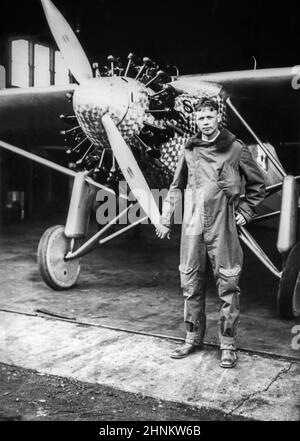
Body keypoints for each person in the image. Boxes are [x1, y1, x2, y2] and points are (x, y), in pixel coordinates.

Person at [156, 97, 265, 368]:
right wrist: (167, 218)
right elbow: (175, 186)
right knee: (190, 282)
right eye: (200, 118)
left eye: (209, 117)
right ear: (196, 120)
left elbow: (257, 184)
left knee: (228, 283)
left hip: (222, 223)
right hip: (193, 224)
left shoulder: (235, 149)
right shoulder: (189, 149)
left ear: (218, 118)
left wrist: (246, 211)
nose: (204, 122)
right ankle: (193, 338)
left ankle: (228, 345)